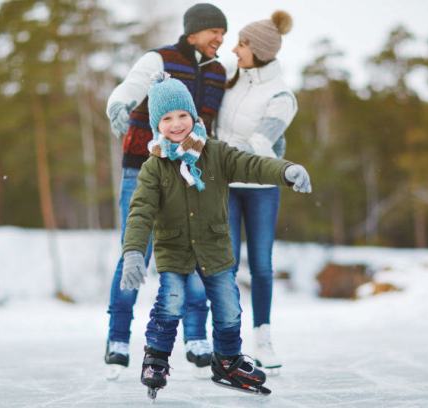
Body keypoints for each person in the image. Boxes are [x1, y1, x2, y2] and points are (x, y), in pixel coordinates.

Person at [120, 74, 311, 397]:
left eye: (182, 115)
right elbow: (140, 212)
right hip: (174, 251)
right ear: (157, 125)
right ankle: (156, 358)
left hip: (215, 249)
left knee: (229, 308)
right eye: (167, 118)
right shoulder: (154, 167)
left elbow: (251, 165)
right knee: (171, 302)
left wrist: (285, 171)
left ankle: (227, 361)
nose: (177, 124)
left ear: (194, 117)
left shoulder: (216, 154)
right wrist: (134, 251)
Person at [103, 3, 228, 378]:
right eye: (214, 32)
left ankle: (195, 337)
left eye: (223, 33)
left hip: (190, 172)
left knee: (193, 250)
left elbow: (238, 110)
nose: (220, 39)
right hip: (141, 166)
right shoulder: (160, 59)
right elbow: (130, 87)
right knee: (134, 249)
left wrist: (269, 141)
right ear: (193, 33)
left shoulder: (221, 71)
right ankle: (118, 338)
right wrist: (118, 105)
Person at [215, 10, 297, 373]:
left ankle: (262, 337)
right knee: (226, 264)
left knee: (261, 266)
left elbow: (261, 143)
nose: (235, 49)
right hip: (226, 187)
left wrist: (223, 151)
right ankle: (226, 341)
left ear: (260, 50)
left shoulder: (281, 96)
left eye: (243, 44)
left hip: (262, 188)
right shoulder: (230, 83)